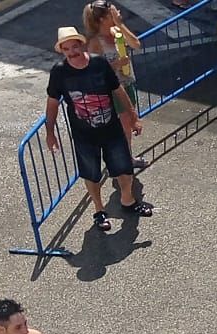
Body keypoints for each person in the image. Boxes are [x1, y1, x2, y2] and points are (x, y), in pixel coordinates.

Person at [47, 27, 149, 235]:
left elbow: (117, 90)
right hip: (84, 135)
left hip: (111, 128)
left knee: (124, 169)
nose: (72, 52)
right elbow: (52, 103)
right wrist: (50, 133)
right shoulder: (59, 72)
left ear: (81, 45)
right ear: (62, 51)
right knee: (91, 174)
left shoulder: (99, 64)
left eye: (74, 47)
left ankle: (128, 201)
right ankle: (99, 211)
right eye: (67, 49)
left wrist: (133, 116)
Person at [84, 0, 148, 172]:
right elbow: (94, 70)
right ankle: (123, 161)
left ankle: (126, 158)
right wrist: (117, 65)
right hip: (113, 90)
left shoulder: (116, 32)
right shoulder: (96, 42)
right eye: (114, 11)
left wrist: (120, 24)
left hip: (127, 83)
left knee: (127, 126)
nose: (118, 11)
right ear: (104, 18)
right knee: (124, 126)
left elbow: (136, 44)